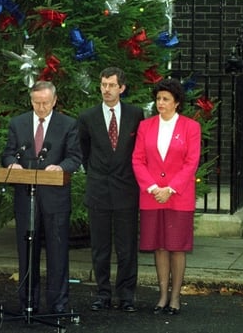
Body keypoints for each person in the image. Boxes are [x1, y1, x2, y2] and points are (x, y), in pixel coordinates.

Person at [1, 80, 82, 314]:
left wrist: (61, 167)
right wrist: (12, 164)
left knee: (57, 254)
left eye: (46, 103)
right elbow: (8, 153)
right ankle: (28, 302)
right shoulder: (18, 123)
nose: (41, 107)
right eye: (37, 103)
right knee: (27, 252)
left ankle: (57, 305)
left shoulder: (68, 124)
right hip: (26, 198)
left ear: (55, 100)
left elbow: (75, 157)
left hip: (55, 197)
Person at [131, 78, 201, 316]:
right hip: (152, 196)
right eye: (158, 98)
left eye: (165, 99)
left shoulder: (191, 127)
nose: (160, 103)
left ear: (177, 103)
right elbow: (137, 159)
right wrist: (152, 187)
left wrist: (170, 188)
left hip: (178, 196)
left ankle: (175, 297)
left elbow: (191, 162)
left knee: (177, 247)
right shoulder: (146, 126)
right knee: (159, 246)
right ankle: (161, 296)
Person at [77, 67, 144, 313]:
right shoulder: (88, 116)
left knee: (127, 247)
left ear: (121, 88)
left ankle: (126, 295)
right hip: (99, 190)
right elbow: (84, 151)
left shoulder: (136, 114)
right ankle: (102, 293)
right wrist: (95, 173)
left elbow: (139, 151)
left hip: (126, 189)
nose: (106, 89)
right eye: (103, 84)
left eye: (111, 85)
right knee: (100, 247)